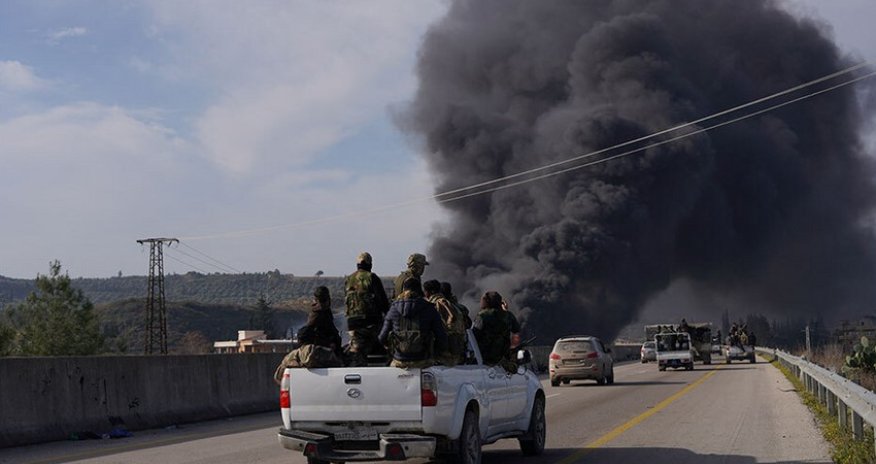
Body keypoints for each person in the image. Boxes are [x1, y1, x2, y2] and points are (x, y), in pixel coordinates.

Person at [378, 278, 448, 369]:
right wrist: (435, 353)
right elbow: (441, 338)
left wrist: (391, 349)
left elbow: (382, 337)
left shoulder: (394, 309)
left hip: (399, 361)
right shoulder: (429, 308)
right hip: (423, 361)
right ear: (420, 291)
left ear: (403, 290)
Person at [344, 252, 390, 366]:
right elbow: (383, 302)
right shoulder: (372, 278)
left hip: (352, 324)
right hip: (371, 323)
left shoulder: (349, 279)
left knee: (357, 351)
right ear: (370, 264)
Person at [472, 291, 520, 372]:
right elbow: (516, 329)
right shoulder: (508, 316)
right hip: (502, 358)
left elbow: (474, 336)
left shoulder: (482, 316)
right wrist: (505, 311)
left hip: (485, 358)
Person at [423, 279, 466, 366]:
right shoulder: (450, 304)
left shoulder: (436, 304)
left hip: (443, 353)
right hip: (456, 350)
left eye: (425, 291)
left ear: (431, 291)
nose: (424, 294)